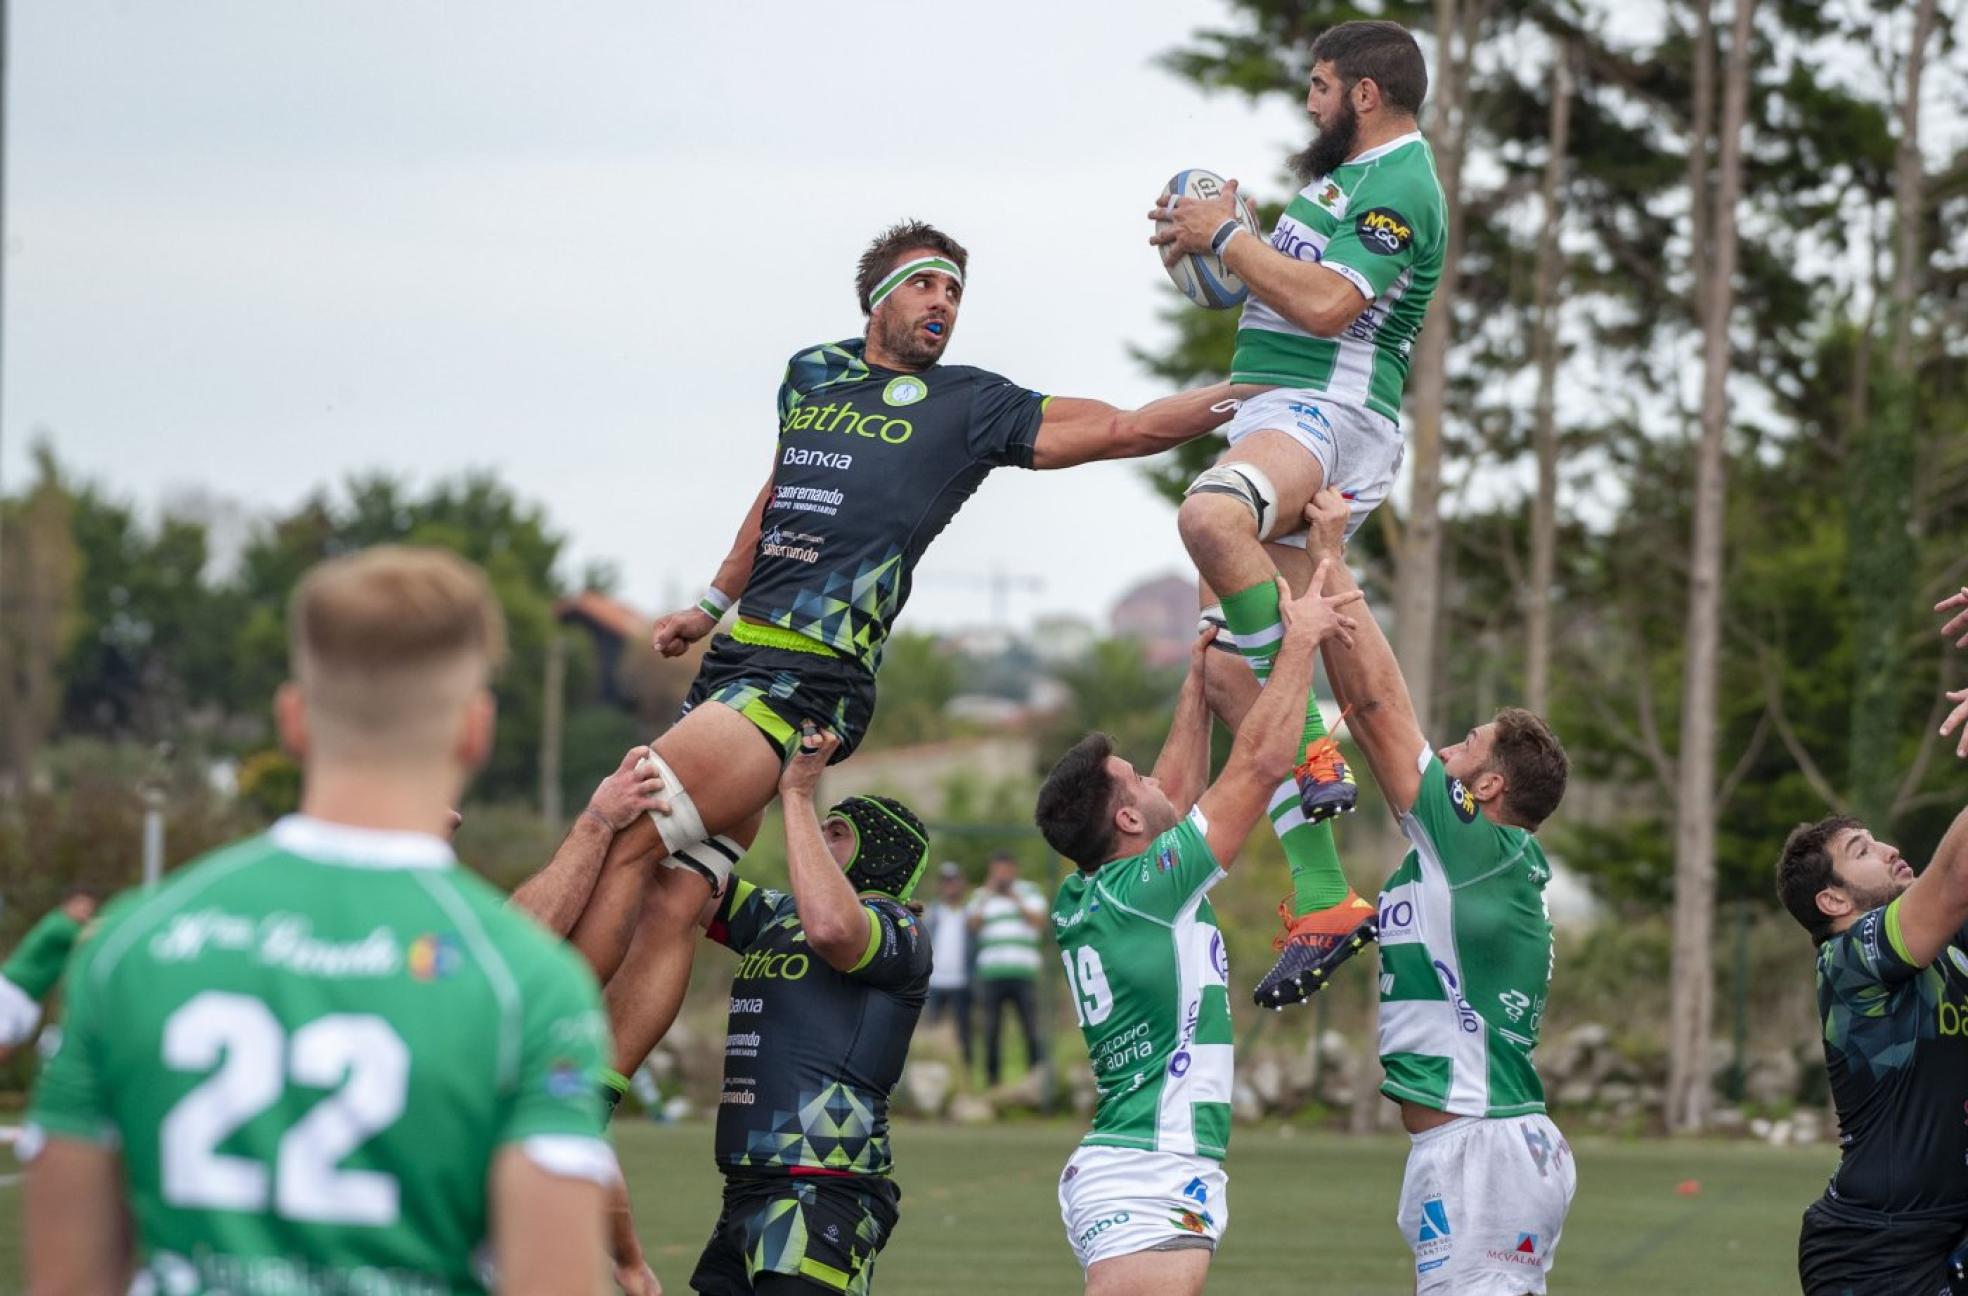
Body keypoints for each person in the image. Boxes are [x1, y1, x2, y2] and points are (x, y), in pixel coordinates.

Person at [512, 219, 1238, 1104]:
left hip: (805, 677)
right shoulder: (810, 374)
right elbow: (780, 493)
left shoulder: (969, 405)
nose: (944, 304)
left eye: (956, 293)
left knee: (622, 836)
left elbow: (1123, 426)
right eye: (928, 284)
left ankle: (536, 1066)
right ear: (877, 299)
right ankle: (590, 1105)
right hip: (737, 659)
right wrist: (709, 604)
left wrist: (1258, 391)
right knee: (678, 900)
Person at [23, 546, 617, 1295]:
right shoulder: (529, 982)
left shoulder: (129, 942)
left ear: (292, 720)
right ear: (476, 728)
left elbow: (66, 1280)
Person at [1149, 19, 1448, 1005]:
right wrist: (1200, 251)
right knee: (1236, 671)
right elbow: (1269, 288)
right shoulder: (1332, 184)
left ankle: (1317, 740)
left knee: (1209, 517)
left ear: (1364, 92)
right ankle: (1324, 898)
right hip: (1280, 408)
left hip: (1331, 414)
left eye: (1320, 85)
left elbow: (1325, 308)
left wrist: (1227, 236)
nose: (1309, 101)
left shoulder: (1402, 181)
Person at [1035, 562, 1361, 1295]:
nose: (1154, 782)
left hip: (1144, 1162)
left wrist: (1198, 681)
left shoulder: (1091, 891)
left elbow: (1172, 793)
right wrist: (1299, 642)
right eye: (1135, 779)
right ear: (1124, 820)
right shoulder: (1150, 891)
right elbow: (1263, 762)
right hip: (1146, 1169)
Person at [1300, 489, 1574, 1293]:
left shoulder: (1474, 845)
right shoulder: (1475, 859)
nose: (1446, 746)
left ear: (1488, 786)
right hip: (1473, 1146)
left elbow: (1382, 714)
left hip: (1481, 1149)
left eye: (1468, 744)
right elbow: (1364, 704)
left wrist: (1333, 559)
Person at [687, 725, 932, 1296]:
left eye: (837, 834)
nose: (818, 842)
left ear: (880, 856)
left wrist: (796, 797)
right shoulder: (778, 915)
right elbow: (689, 885)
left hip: (825, 1191)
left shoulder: (900, 929)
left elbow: (832, 928)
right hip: (747, 1190)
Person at [1780, 595, 1968, 1295]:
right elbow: (1957, 875)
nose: (1889, 849)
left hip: (1949, 1234)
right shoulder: (1851, 956)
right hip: (1873, 1254)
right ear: (1832, 900)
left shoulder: (1952, 944)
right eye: (1862, 849)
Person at [966, 851, 1049, 1086]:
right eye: (997, 870)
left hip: (1024, 974)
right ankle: (993, 1083)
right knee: (991, 1031)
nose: (1001, 875)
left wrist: (1015, 899)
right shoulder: (981, 895)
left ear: (1014, 870)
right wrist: (986, 896)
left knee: (1031, 1029)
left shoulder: (1029, 891)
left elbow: (1039, 922)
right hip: (992, 975)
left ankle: (1037, 1082)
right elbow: (971, 926)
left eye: (1005, 870)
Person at [0, 886, 100, 1060]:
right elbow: (91, 935)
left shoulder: (70, 929)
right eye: (82, 907)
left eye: (89, 909)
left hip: (29, 998)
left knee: (7, 1049)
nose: (86, 912)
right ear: (67, 905)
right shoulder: (59, 924)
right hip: (12, 990)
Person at [922, 861, 974, 1066]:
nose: (950, 886)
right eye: (946, 882)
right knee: (932, 1030)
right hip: (935, 981)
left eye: (954, 881)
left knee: (964, 1033)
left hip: (962, 981)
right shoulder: (932, 914)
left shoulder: (970, 914)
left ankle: (966, 1074)